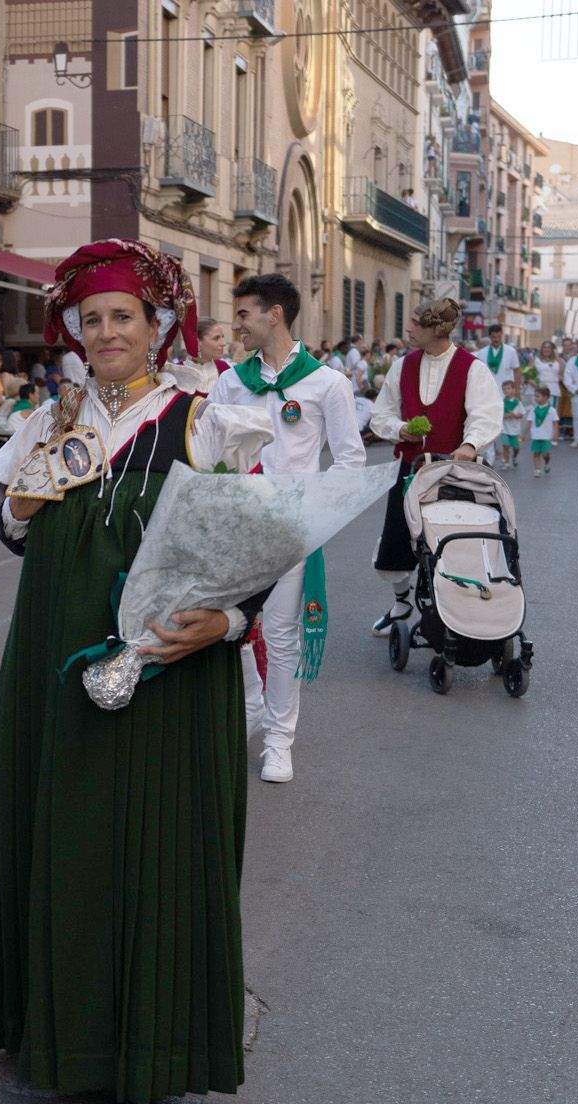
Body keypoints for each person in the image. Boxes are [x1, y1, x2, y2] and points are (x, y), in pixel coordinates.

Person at [0, 239, 272, 1104]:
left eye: (122, 317)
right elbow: (16, 533)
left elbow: (262, 547)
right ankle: (58, 1037)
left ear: (158, 325)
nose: (106, 333)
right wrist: (21, 501)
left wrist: (227, 624)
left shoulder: (208, 418)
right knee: (69, 844)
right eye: (91, 320)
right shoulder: (54, 418)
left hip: (171, 672)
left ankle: (147, 1072)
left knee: (154, 856)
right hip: (55, 660)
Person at [211, 271, 364, 785]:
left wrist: (316, 517)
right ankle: (253, 704)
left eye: (244, 314)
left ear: (273, 313)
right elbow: (208, 450)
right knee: (230, 630)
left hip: (291, 529)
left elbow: (348, 460)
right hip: (238, 527)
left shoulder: (327, 383)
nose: (237, 326)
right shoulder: (231, 381)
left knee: (279, 635)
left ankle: (280, 741)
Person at [368, 298, 500, 636]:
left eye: (415, 323)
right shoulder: (403, 366)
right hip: (411, 469)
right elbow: (381, 415)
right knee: (397, 538)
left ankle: (457, 605)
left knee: (453, 539)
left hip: (454, 472)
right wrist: (402, 429)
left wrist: (470, 445)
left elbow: (484, 415)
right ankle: (401, 603)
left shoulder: (472, 368)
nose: (408, 329)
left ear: (435, 329)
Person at [477, 322, 521, 391]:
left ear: (502, 336)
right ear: (489, 336)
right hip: (488, 391)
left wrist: (517, 391)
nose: (496, 339)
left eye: (499, 337)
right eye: (494, 337)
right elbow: (479, 374)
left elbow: (517, 371)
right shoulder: (482, 353)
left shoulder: (511, 351)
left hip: (507, 393)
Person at [528, 384, 558, 477]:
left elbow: (555, 423)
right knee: (536, 453)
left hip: (546, 436)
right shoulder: (533, 410)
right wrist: (524, 434)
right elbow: (529, 422)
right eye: (535, 396)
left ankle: (546, 463)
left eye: (538, 396)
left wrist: (555, 434)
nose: (536, 398)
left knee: (545, 454)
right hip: (536, 436)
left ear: (545, 397)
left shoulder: (551, 410)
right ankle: (537, 469)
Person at [497, 379, 525, 470]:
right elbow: (499, 415)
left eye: (508, 388)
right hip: (504, 428)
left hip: (514, 429)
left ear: (513, 390)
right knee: (505, 445)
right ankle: (506, 463)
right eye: (504, 389)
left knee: (516, 447)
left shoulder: (518, 402)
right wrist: (506, 415)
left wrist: (515, 415)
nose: (506, 391)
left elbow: (521, 414)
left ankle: (514, 457)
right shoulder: (502, 402)